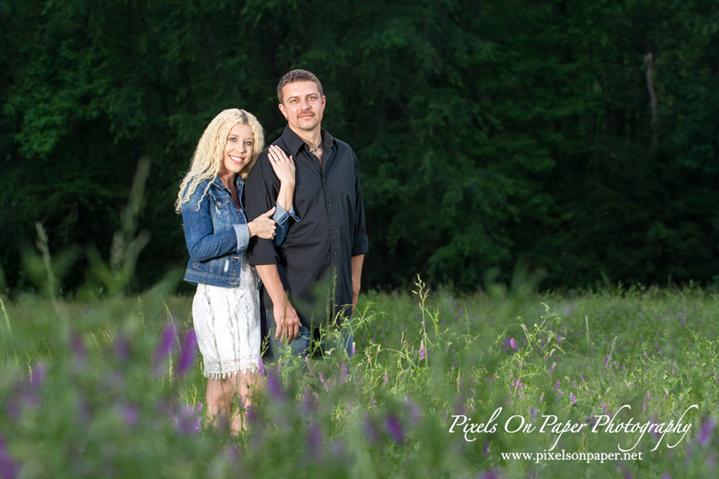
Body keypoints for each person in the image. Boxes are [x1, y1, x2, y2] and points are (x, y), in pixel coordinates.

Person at [175, 108, 296, 434]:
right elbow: (198, 248)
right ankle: (243, 457)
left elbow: (273, 234)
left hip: (245, 294)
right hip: (220, 296)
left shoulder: (244, 188)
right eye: (233, 140)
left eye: (248, 143)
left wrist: (287, 185)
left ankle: (214, 458)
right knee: (247, 385)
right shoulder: (199, 188)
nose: (240, 150)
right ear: (217, 140)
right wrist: (249, 229)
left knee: (223, 390)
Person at [245, 69, 369, 365]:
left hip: (338, 309)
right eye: (295, 100)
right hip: (290, 311)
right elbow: (261, 246)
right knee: (286, 406)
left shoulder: (346, 156)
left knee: (340, 404)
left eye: (311, 98)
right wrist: (280, 302)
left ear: (323, 102)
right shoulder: (269, 162)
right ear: (283, 109)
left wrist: (353, 286)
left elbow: (357, 228)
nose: (305, 106)